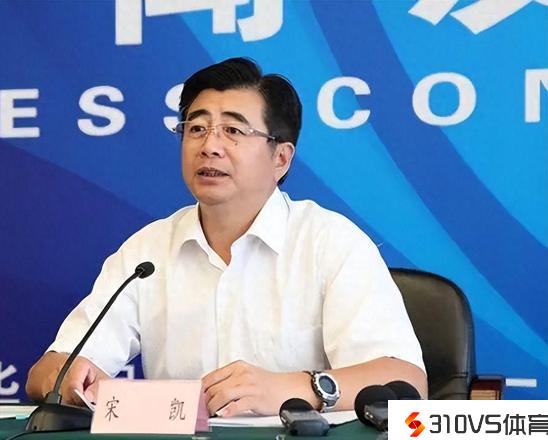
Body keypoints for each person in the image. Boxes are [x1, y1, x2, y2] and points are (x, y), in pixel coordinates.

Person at [25, 58, 427, 415]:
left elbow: (404, 380)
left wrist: (293, 388)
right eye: (196, 128)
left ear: (281, 158)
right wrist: (68, 376)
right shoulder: (147, 253)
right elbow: (47, 372)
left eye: (233, 130)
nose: (209, 146)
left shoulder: (331, 243)